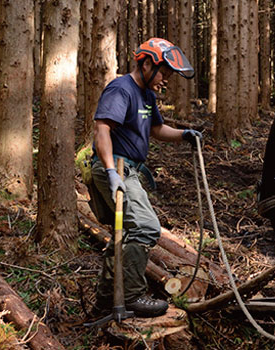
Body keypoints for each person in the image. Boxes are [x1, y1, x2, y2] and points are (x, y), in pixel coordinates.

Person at [88, 37, 200, 317]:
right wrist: (111, 171)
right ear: (147, 63)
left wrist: (185, 136)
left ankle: (105, 302)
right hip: (115, 166)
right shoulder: (121, 89)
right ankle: (133, 296)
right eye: (164, 73)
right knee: (146, 227)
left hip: (131, 170)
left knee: (124, 236)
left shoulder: (147, 95)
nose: (166, 80)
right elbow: (102, 129)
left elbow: (156, 129)